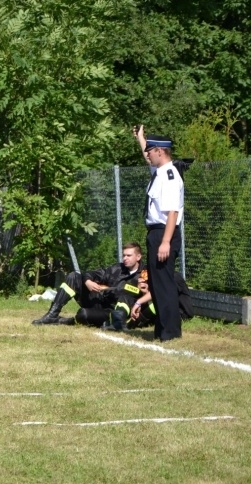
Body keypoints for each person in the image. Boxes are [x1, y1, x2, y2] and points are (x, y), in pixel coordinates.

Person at [32, 242, 144, 327]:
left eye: (128, 256)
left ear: (138, 257)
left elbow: (135, 294)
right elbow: (94, 273)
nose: (124, 258)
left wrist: (108, 289)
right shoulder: (117, 268)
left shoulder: (145, 274)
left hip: (112, 310)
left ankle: (69, 321)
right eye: (124, 255)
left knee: (83, 314)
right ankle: (52, 314)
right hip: (99, 300)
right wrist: (88, 281)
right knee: (74, 276)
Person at [143, 135, 184, 341]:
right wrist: (140, 138)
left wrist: (166, 242)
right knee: (156, 284)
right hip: (156, 233)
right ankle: (162, 330)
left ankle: (171, 332)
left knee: (164, 284)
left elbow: (172, 213)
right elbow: (147, 154)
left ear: (160, 151)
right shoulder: (159, 172)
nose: (146, 154)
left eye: (150, 151)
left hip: (164, 233)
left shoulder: (169, 176)